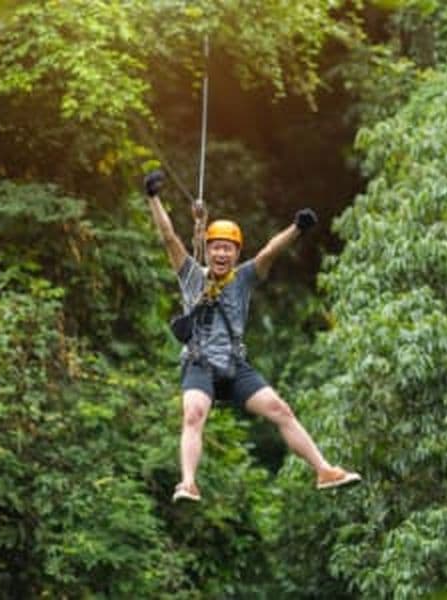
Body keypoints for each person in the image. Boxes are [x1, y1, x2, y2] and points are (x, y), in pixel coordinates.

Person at [143, 170, 361, 502]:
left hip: (234, 365)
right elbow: (168, 237)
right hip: (200, 364)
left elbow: (268, 253)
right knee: (193, 414)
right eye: (215, 248)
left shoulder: (242, 278)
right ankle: (188, 482)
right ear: (207, 248)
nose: (220, 254)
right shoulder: (190, 275)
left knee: (280, 409)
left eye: (227, 249)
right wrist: (153, 198)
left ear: (235, 253)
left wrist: (297, 229)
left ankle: (324, 470)